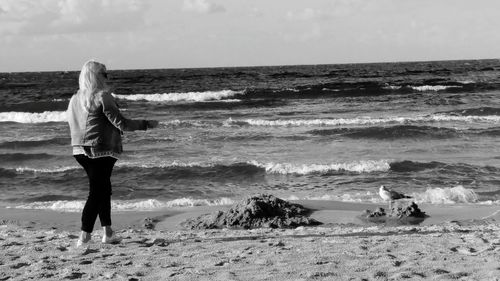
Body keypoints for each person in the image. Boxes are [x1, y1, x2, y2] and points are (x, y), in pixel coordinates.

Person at [67, 60, 158, 247]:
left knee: (103, 189)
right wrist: (146, 124)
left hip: (79, 150)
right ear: (94, 75)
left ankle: (108, 233)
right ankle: (84, 236)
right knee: (97, 191)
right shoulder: (103, 96)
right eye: (104, 73)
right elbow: (122, 123)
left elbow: (73, 125)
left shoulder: (75, 99)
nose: (107, 77)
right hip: (100, 149)